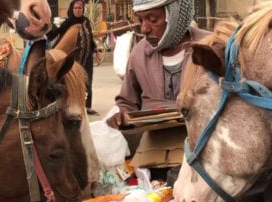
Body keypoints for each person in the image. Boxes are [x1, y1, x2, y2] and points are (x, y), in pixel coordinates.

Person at [106, 0, 210, 154]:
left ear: (175, 14)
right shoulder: (139, 53)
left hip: (203, 150)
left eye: (153, 19)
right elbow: (127, 102)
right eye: (140, 20)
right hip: (152, 152)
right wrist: (121, 114)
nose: (144, 29)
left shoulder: (210, 47)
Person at [47, 0, 100, 116]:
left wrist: (96, 51)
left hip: (88, 57)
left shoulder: (86, 21)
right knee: (75, 81)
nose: (77, 10)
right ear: (72, 9)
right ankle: (75, 106)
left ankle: (88, 106)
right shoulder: (68, 22)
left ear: (83, 9)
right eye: (75, 8)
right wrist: (48, 28)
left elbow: (90, 38)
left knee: (88, 81)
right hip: (75, 58)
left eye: (79, 8)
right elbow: (57, 33)